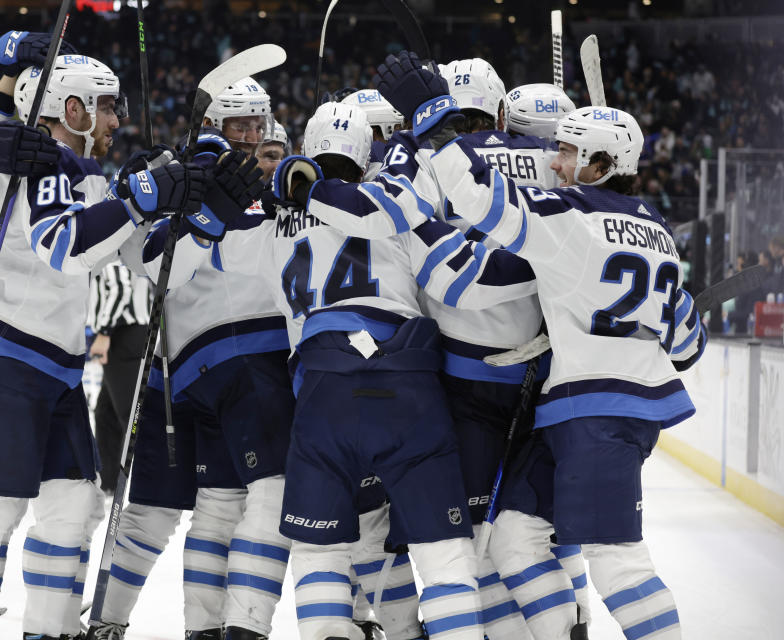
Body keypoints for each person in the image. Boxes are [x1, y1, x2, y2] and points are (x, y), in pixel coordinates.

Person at [166, 100, 541, 640]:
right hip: (406, 389)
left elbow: (205, 261)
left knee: (319, 553)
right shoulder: (395, 210)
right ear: (367, 157)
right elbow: (469, 283)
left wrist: (200, 185)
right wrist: (554, 268)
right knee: (444, 552)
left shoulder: (273, 226)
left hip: (320, 397)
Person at [374, 50, 706, 640]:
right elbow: (687, 343)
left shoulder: (569, 216)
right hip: (588, 407)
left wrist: (435, 121)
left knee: (616, 559)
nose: (556, 160)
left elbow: (481, 200)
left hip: (595, 411)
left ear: (602, 164)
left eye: (572, 152)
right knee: (515, 535)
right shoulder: (657, 227)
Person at [0, 30, 210, 640]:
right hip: (3, 346)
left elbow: (156, 263)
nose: (118, 117)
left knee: (72, 505)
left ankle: (50, 631)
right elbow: (62, 245)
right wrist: (140, 197)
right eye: (107, 105)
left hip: (51, 362)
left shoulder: (80, 172)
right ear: (73, 109)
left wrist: (201, 215)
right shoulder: (44, 158)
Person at [91, 79, 292, 640]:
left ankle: (191, 628)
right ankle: (240, 627)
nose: (251, 137)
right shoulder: (200, 178)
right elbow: (149, 264)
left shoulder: (260, 182)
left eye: (259, 125)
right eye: (240, 126)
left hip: (181, 365)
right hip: (234, 359)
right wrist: (174, 205)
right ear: (212, 126)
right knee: (257, 494)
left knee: (216, 504)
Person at [88, 259, 151, 493]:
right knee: (106, 411)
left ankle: (142, 484)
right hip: (123, 333)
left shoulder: (111, 244)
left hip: (124, 333)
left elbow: (120, 288)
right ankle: (109, 481)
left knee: (130, 413)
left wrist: (104, 333)